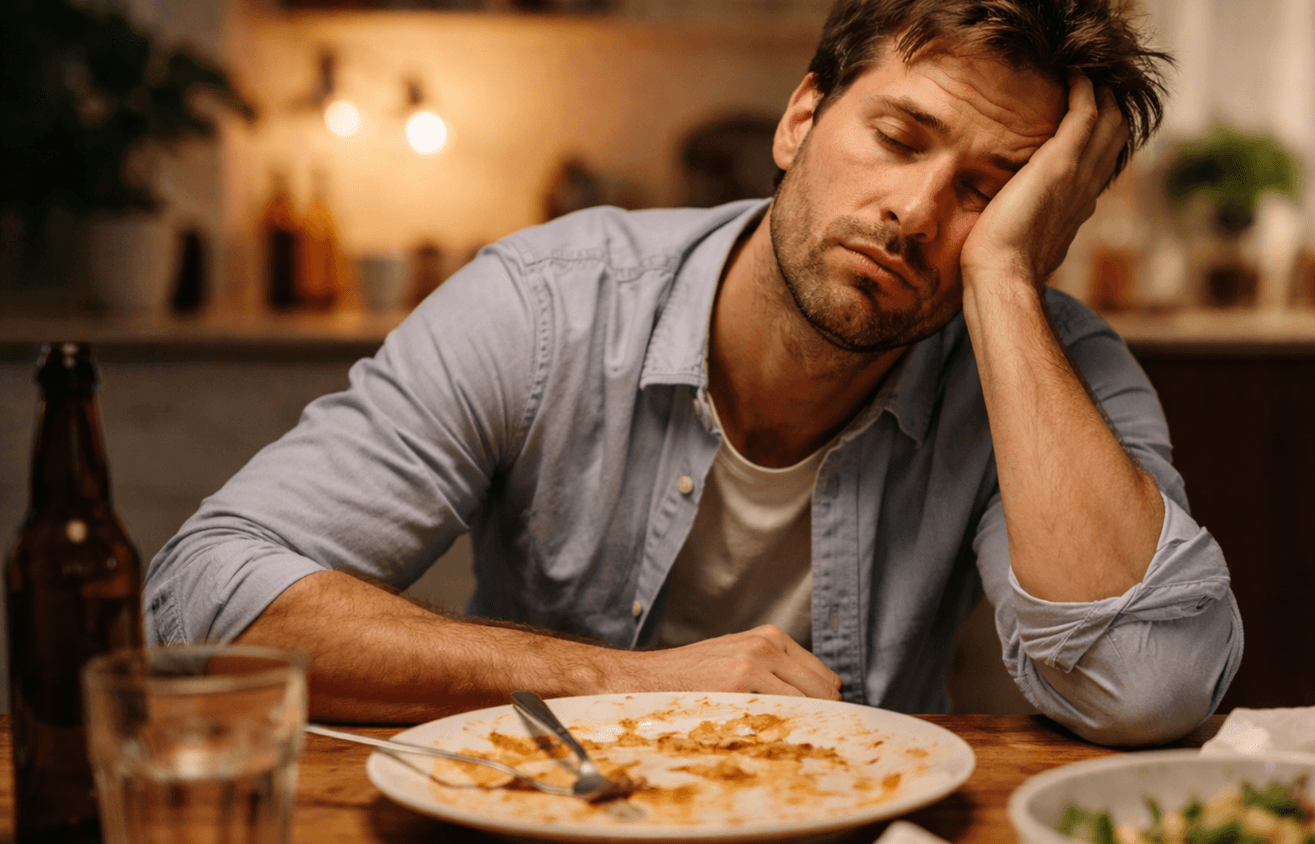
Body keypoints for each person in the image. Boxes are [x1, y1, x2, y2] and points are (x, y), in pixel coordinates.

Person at [146, 0, 1242, 745]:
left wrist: (1003, 282)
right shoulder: (546, 303)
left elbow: (1148, 689)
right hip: (543, 813)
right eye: (901, 137)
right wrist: (629, 685)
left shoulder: (1048, 360)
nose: (916, 213)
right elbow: (200, 605)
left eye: (991, 191)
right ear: (802, 116)